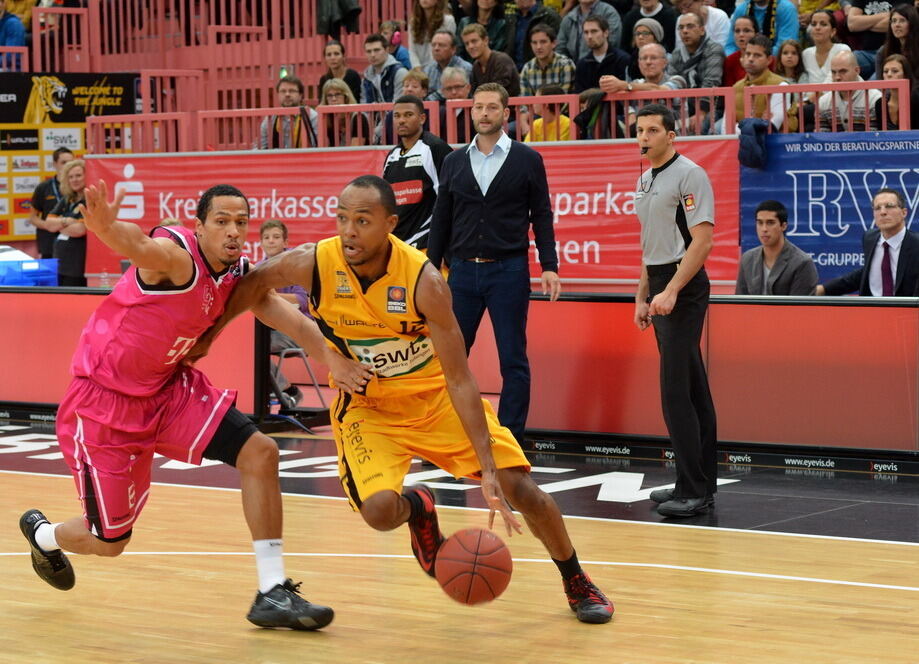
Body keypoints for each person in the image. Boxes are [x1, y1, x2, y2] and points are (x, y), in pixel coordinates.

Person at [198, 174, 614, 624]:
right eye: (342, 219)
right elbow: (249, 286)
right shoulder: (314, 263)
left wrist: (488, 472)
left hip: (433, 397)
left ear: (390, 224)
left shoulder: (424, 281)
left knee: (520, 488)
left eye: (363, 220)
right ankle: (420, 506)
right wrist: (206, 338)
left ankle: (576, 578)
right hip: (367, 405)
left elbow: (459, 379)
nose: (349, 231)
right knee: (378, 513)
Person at [19, 181, 350, 630]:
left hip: (168, 391)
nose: (233, 232)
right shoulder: (177, 257)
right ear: (199, 225)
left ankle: (272, 591)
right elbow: (140, 247)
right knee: (111, 540)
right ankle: (44, 535)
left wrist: (333, 358)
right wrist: (106, 227)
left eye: (240, 223)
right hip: (104, 406)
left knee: (260, 452)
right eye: (222, 222)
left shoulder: (234, 273)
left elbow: (280, 312)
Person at [428, 82, 561, 447]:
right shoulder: (454, 161)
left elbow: (542, 215)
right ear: (470, 112)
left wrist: (549, 264)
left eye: (491, 108)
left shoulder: (527, 159)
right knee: (450, 359)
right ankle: (449, 435)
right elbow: (442, 219)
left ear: (506, 113)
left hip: (509, 271)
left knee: (513, 360)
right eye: (478, 107)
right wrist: (429, 270)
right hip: (462, 273)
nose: (484, 114)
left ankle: (509, 441)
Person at [632, 103, 718, 518]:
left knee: (675, 391)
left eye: (652, 130)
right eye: (640, 130)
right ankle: (693, 482)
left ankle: (695, 490)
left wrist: (671, 292)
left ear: (672, 135)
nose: (644, 137)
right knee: (693, 388)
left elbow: (701, 242)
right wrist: (642, 294)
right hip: (660, 282)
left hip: (684, 286)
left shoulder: (690, 174)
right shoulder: (645, 178)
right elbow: (650, 244)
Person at [816, 188, 919, 296]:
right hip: (871, 308)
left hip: (906, 309)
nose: (883, 212)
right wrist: (823, 289)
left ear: (904, 212)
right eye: (877, 208)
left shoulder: (915, 244)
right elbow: (867, 274)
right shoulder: (869, 238)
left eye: (889, 206)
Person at [383, 94, 453, 249]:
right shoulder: (391, 156)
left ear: (422, 118)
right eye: (397, 116)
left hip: (426, 244)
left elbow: (448, 199)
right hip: (398, 245)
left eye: (408, 115)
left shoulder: (435, 149)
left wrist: (442, 247)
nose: (401, 120)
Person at [259, 219, 312, 408]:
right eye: (266, 237)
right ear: (261, 243)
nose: (271, 241)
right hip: (269, 330)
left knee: (257, 347)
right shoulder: (257, 269)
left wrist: (271, 296)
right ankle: (286, 391)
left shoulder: (295, 265)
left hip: (301, 331)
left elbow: (303, 301)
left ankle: (284, 392)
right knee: (251, 346)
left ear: (285, 242)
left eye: (276, 237)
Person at [736, 200, 819, 295]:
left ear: (783, 226)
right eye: (760, 223)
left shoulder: (802, 263)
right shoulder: (747, 259)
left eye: (770, 223)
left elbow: (799, 308)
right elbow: (739, 303)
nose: (764, 229)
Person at [668, 12, 725, 130]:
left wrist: (701, 112)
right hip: (684, 106)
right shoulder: (677, 54)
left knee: (702, 124)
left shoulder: (714, 49)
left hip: (712, 107)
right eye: (681, 27)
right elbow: (673, 83)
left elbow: (711, 82)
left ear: (702, 30)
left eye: (690, 26)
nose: (684, 31)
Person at [729, 35, 797, 132]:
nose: (751, 59)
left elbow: (771, 128)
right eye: (747, 54)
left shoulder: (781, 86)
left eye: (757, 55)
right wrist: (759, 123)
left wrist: (740, 127)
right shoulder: (735, 88)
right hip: (738, 145)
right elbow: (726, 129)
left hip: (776, 145)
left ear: (769, 60)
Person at [45, 159, 88, 287]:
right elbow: (48, 224)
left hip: (78, 265)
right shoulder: (68, 199)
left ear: (88, 176)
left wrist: (58, 225)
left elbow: (80, 230)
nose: (74, 180)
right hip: (61, 262)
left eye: (78, 175)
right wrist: (67, 221)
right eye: (70, 177)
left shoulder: (91, 200)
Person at [817, 50, 882, 130]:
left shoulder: (875, 99)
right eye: (833, 72)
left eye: (843, 71)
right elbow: (822, 139)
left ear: (857, 71)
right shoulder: (823, 102)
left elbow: (874, 138)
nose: (837, 77)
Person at [29, 147, 74, 260]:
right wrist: (50, 226)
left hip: (74, 242)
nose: (67, 166)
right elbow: (33, 218)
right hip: (49, 243)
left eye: (71, 162)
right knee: (50, 276)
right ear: (54, 164)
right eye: (63, 162)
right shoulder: (44, 187)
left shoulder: (78, 187)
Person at [257, 76, 319, 149]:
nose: (287, 94)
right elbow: (261, 146)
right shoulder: (270, 118)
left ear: (300, 95)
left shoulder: (312, 117)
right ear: (278, 95)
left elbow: (317, 145)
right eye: (283, 91)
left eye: (292, 91)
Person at [574, 15, 631, 92]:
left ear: (606, 33)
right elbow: (579, 94)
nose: (589, 36)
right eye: (586, 32)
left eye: (594, 31)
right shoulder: (582, 64)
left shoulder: (622, 59)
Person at [463, 23, 522, 97]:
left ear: (486, 40)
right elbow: (474, 94)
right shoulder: (476, 66)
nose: (470, 46)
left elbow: (497, 92)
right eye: (467, 44)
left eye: (474, 41)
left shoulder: (501, 60)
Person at [556, 0, 623, 63]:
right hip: (574, 69)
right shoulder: (568, 18)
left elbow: (612, 42)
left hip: (605, 64)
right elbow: (560, 49)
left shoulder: (609, 13)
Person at [725, 0, 799, 56]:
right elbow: (730, 45)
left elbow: (784, 48)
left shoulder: (786, 9)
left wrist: (756, 56)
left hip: (774, 64)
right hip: (743, 60)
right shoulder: (742, 9)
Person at [520, 24, 576, 96]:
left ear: (554, 43)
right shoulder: (527, 68)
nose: (538, 47)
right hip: (535, 107)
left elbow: (564, 101)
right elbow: (525, 101)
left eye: (543, 42)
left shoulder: (565, 65)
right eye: (534, 43)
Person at [504, 0, 563, 69]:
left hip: (541, 71)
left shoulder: (549, 16)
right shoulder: (511, 19)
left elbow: (559, 47)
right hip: (514, 72)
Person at [802, 10, 852, 86]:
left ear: (833, 31)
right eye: (813, 24)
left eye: (823, 24)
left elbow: (837, 80)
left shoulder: (842, 50)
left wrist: (815, 96)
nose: (817, 28)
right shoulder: (806, 54)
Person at [319, 78, 372, 147]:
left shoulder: (358, 117)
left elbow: (356, 151)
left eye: (337, 94)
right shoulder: (326, 119)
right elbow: (323, 149)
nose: (334, 99)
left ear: (346, 97)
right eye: (330, 96)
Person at [847, 0, 894, 78]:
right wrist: (885, 16)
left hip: (890, 53)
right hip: (866, 53)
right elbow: (852, 24)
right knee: (845, 62)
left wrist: (864, 24)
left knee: (873, 84)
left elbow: (895, 24)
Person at [874, 4, 919, 81]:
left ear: (912, 23)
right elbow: (880, 83)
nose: (897, 25)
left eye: (902, 20)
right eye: (894, 21)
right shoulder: (883, 51)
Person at [874, 53, 919, 129]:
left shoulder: (916, 100)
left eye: (895, 71)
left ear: (905, 74)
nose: (889, 75)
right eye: (885, 71)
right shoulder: (880, 104)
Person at [361, 33, 409, 104]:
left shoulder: (400, 72)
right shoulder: (366, 76)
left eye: (377, 50)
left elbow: (399, 105)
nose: (372, 55)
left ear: (387, 50)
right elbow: (364, 105)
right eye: (369, 51)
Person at [423, 29, 473, 96]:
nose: (436, 48)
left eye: (441, 45)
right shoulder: (428, 70)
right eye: (433, 45)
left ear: (453, 49)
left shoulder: (465, 68)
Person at [407, 0, 457, 68]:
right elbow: (412, 50)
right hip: (419, 69)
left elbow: (447, 48)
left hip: (441, 67)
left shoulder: (448, 21)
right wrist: (417, 68)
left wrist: (430, 70)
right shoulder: (413, 22)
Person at [437, 66, 475, 142]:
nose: (453, 92)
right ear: (443, 91)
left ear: (468, 88)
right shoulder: (438, 113)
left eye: (458, 87)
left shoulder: (477, 111)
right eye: (448, 88)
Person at [624, 17, 665, 81]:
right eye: (637, 34)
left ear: (656, 38)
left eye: (645, 33)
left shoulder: (666, 58)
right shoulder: (631, 62)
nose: (640, 37)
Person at [722, 15, 757, 86]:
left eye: (746, 30)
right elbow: (729, 90)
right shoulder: (730, 61)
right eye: (737, 31)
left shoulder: (768, 59)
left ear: (756, 34)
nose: (741, 35)